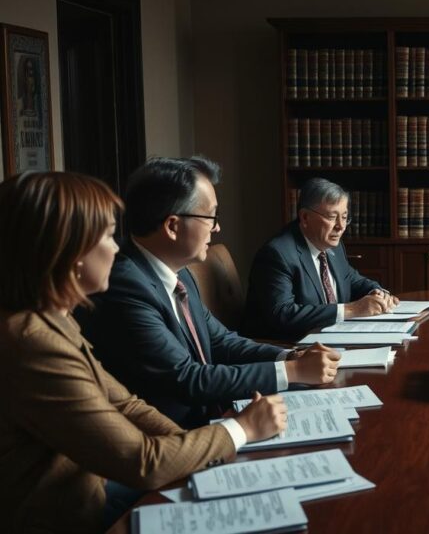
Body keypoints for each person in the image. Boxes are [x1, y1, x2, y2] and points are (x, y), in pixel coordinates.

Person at [0, 172, 287, 533]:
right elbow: (142, 462)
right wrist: (240, 430)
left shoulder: (55, 319)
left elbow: (126, 405)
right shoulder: (32, 343)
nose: (117, 247)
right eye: (106, 235)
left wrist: (200, 453)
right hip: (70, 515)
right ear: (67, 252)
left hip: (95, 488)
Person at [78, 157, 339, 428]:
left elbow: (221, 341)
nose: (217, 227)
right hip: (178, 438)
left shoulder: (178, 273)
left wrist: (290, 356)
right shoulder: (125, 286)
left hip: (217, 417)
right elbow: (186, 378)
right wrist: (291, 372)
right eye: (211, 216)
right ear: (172, 226)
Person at [244, 177, 397, 342]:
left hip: (331, 340)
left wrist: (377, 293)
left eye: (344, 217)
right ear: (304, 217)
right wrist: (351, 310)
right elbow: (283, 314)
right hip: (288, 347)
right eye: (332, 217)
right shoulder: (277, 254)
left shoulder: (333, 245)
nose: (340, 226)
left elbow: (351, 279)